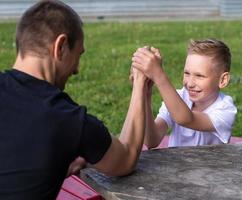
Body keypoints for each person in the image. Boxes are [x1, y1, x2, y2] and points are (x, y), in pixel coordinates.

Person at [0, 1, 148, 199]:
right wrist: (140, 83)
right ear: (60, 46)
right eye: (78, 55)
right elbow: (126, 158)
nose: (76, 69)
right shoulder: (68, 120)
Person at [132, 39, 237, 148]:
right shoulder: (179, 97)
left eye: (199, 76)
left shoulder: (226, 109)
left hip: (209, 165)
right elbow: (151, 140)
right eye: (187, 73)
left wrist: (158, 75)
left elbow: (186, 119)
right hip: (176, 164)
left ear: (223, 80)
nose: (190, 83)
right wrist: (146, 94)